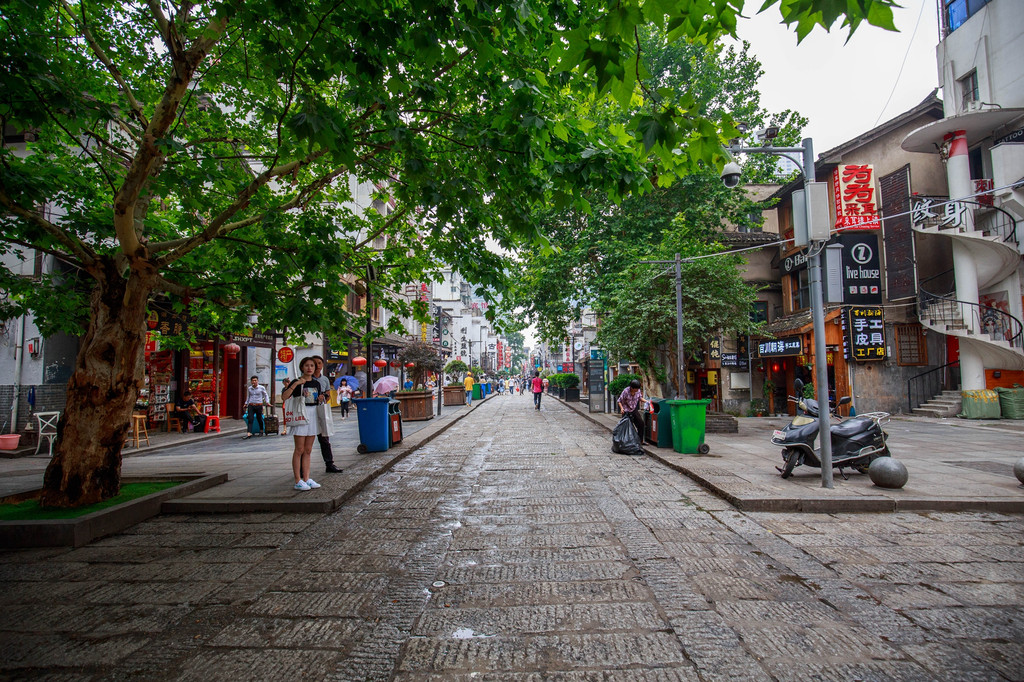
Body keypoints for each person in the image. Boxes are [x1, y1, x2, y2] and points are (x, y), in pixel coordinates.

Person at [282, 356, 324, 491]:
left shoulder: (317, 384)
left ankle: (307, 478)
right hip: (300, 414)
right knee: (299, 449)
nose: (310, 368)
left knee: (308, 450)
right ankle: (297, 480)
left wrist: (322, 398)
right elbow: (284, 397)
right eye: (307, 366)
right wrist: (296, 384)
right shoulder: (296, 381)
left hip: (313, 414)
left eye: (312, 366)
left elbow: (317, 399)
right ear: (302, 367)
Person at [312, 356, 341, 473]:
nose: (317, 365)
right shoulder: (306, 379)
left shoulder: (324, 380)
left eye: (319, 363)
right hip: (309, 410)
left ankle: (329, 463)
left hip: (320, 410)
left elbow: (328, 395)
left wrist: (324, 397)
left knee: (324, 439)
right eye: (315, 363)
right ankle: (302, 468)